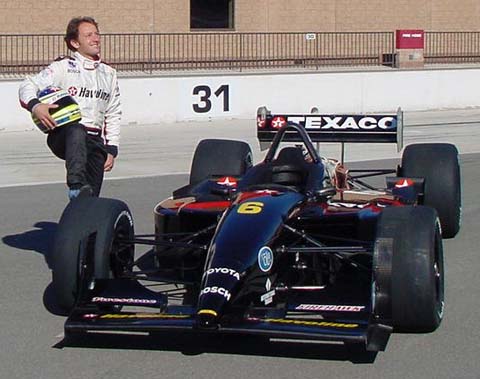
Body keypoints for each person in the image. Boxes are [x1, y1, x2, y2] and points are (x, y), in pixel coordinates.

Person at [19, 16, 121, 200]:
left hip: (95, 142)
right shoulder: (63, 66)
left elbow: (113, 112)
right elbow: (28, 85)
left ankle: (83, 214)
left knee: (90, 200)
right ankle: (75, 186)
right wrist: (36, 106)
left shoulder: (109, 73)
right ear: (74, 42)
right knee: (77, 129)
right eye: (88, 35)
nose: (96, 38)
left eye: (97, 34)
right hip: (65, 135)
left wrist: (112, 149)